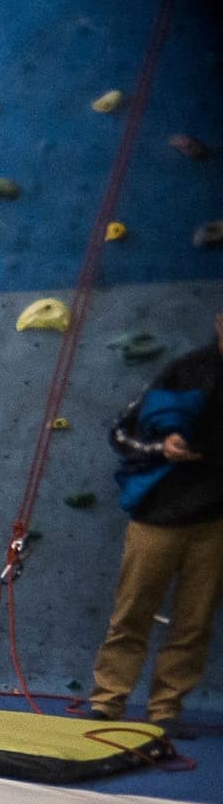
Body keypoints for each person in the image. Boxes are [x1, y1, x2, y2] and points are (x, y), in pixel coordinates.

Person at [91, 307, 223, 728]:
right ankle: (108, 702)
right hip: (158, 515)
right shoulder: (185, 371)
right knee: (132, 613)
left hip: (215, 522)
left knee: (194, 623)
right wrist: (162, 450)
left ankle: (166, 710)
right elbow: (119, 432)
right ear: (219, 321)